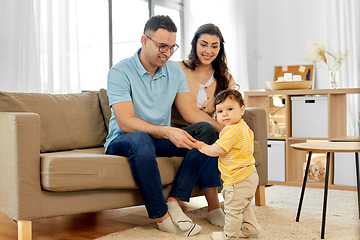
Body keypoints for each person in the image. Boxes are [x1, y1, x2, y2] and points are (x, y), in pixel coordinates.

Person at [105, 15, 224, 237]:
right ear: (144, 41)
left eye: (172, 47)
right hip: (124, 139)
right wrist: (168, 131)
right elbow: (126, 122)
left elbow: (190, 112)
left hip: (158, 140)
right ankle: (161, 217)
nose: (167, 53)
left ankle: (174, 200)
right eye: (162, 46)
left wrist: (223, 129)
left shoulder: (174, 71)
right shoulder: (120, 72)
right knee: (140, 138)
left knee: (205, 131)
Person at [171, 23, 235, 227]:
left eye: (214, 46)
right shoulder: (177, 69)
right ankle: (213, 207)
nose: (208, 51)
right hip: (180, 131)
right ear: (195, 44)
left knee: (211, 138)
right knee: (209, 133)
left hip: (207, 133)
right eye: (204, 44)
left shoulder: (225, 78)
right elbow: (189, 114)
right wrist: (223, 130)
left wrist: (231, 131)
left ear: (220, 48)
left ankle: (216, 208)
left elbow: (230, 112)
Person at [195, 89, 261, 240]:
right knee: (243, 206)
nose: (224, 114)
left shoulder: (231, 131)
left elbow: (218, 149)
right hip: (249, 175)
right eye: (219, 111)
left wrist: (202, 146)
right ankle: (252, 228)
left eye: (229, 109)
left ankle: (229, 235)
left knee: (232, 209)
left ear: (242, 109)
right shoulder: (244, 127)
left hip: (238, 178)